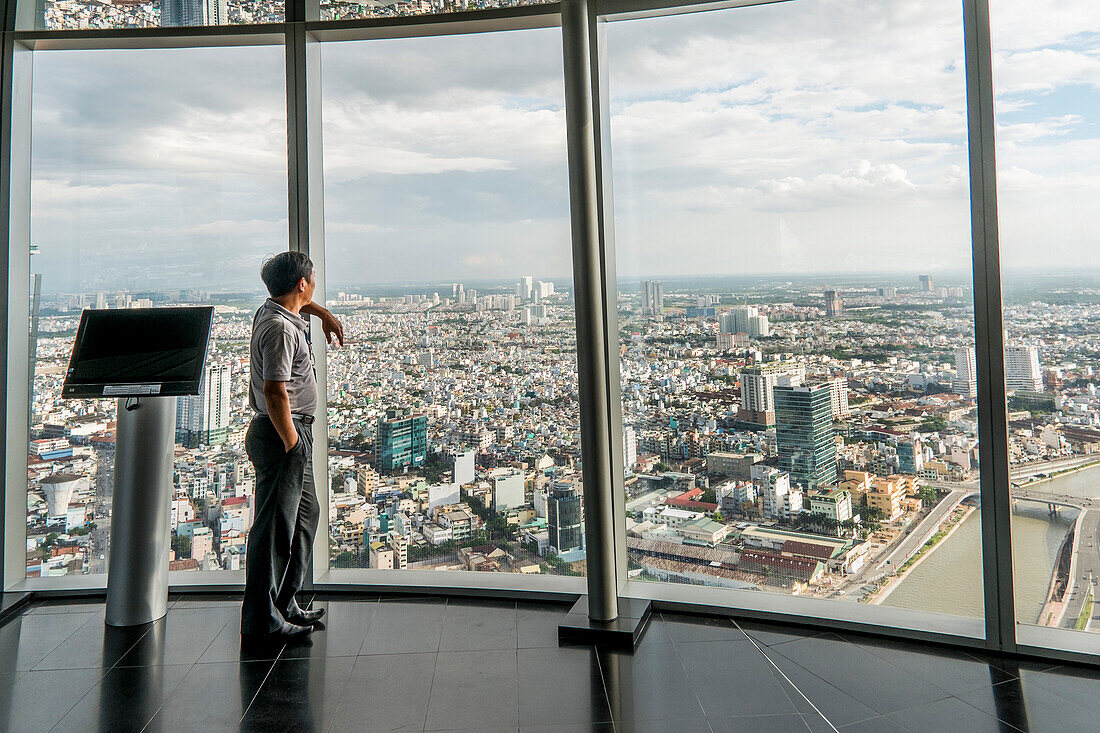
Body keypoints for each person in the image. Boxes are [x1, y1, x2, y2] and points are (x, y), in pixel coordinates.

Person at [241, 251, 344, 643]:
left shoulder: (277, 312)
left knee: (305, 516)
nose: (315, 282)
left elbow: (296, 302)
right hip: (282, 433)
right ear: (302, 283)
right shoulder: (281, 329)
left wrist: (321, 313)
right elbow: (274, 391)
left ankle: (284, 601)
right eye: (312, 279)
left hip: (290, 432)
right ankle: (263, 620)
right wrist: (292, 443)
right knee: (273, 530)